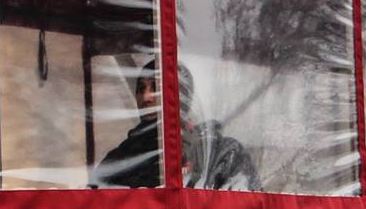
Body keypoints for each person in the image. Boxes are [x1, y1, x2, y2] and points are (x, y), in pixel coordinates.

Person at [93, 58, 259, 191]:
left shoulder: (223, 153)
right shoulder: (120, 159)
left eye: (156, 87)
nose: (146, 97)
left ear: (182, 95)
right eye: (141, 89)